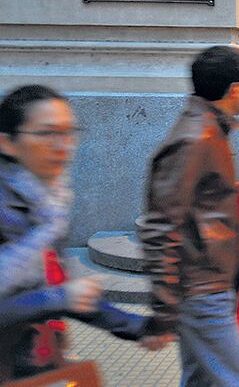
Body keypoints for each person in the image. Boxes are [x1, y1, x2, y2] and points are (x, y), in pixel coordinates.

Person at [0, 85, 165, 383]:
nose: (62, 144)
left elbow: (65, 290)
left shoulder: (46, 205)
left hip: (30, 363)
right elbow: (61, 294)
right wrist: (60, 297)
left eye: (68, 132)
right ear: (8, 143)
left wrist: (139, 327)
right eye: (46, 133)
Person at [139, 46, 239, 386]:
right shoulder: (195, 138)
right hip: (202, 292)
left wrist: (236, 196)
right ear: (235, 88)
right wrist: (164, 308)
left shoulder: (210, 131)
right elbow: (160, 224)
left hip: (209, 288)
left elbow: (195, 202)